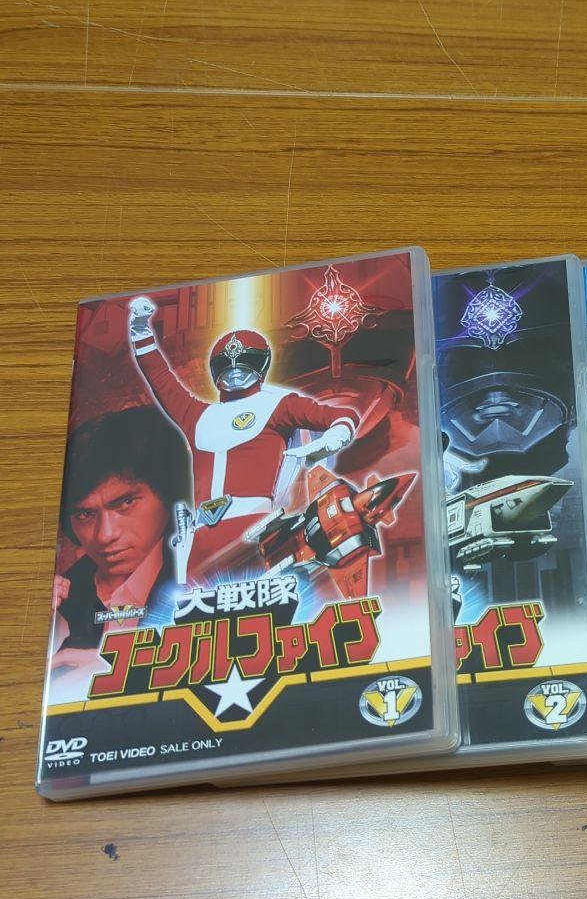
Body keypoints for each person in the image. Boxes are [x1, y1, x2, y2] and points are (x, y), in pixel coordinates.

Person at [127, 295, 361, 580]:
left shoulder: (278, 404)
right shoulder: (196, 414)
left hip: (255, 528)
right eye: (226, 363)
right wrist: (140, 331)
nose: (235, 369)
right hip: (200, 536)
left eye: (245, 361)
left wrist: (337, 435)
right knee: (195, 606)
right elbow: (161, 380)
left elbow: (340, 415)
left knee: (260, 601)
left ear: (261, 364)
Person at [51, 407, 188, 688]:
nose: (105, 535)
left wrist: (122, 666)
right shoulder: (68, 593)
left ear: (169, 494)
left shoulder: (204, 571)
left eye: (125, 503)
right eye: (85, 514)